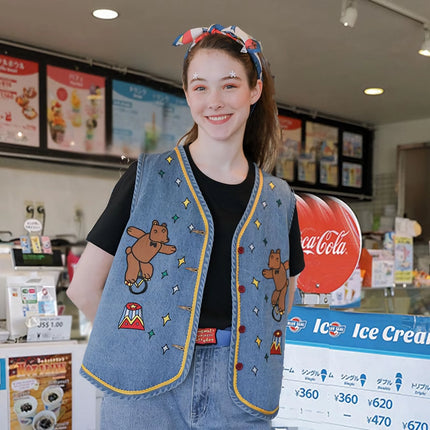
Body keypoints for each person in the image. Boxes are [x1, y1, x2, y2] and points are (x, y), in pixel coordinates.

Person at [67, 24, 304, 430]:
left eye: (229, 85)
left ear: (255, 90)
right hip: (145, 391)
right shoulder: (147, 177)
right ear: (186, 92)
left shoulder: (280, 200)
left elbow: (281, 302)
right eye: (200, 87)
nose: (214, 101)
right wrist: (136, 345)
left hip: (240, 388)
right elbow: (83, 287)